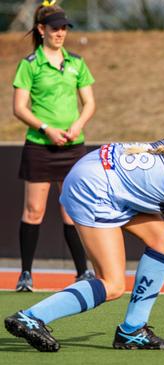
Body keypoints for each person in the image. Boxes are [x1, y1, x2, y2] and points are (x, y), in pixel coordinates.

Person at [4, 122, 164, 352]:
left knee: (163, 239)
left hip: (98, 167)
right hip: (95, 188)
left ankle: (132, 330)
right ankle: (32, 317)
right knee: (112, 285)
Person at [12, 0, 96, 292]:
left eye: (64, 28)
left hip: (72, 147)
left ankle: (82, 272)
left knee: (71, 210)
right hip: (40, 146)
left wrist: (77, 126)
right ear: (41, 29)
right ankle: (25, 274)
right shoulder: (30, 64)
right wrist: (46, 129)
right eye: (55, 28)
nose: (60, 33)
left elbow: (89, 102)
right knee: (34, 210)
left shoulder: (76, 63)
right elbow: (19, 107)